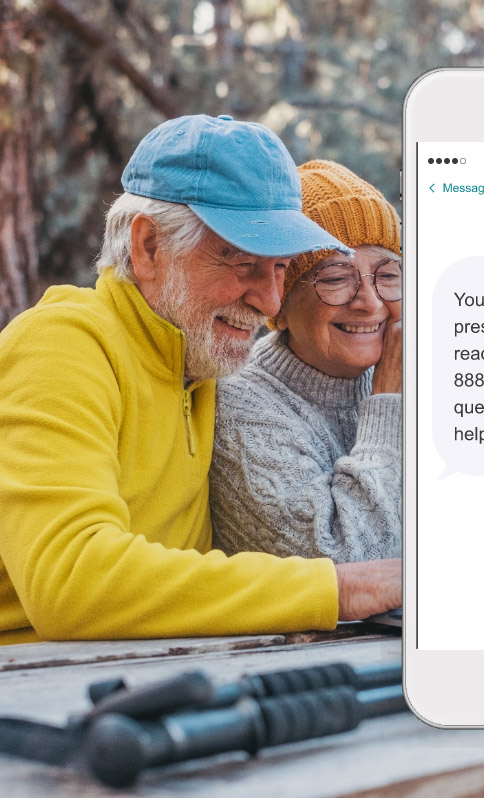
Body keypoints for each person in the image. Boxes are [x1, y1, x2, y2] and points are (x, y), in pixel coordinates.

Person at [0, 115, 401, 644]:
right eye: (240, 262)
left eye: (279, 268)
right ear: (147, 247)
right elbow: (73, 582)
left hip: (160, 680)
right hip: (35, 695)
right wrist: (338, 589)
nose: (270, 300)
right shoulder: (61, 345)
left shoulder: (201, 367)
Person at [210, 161, 401, 562]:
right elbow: (353, 564)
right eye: (335, 278)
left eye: (388, 275)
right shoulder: (239, 409)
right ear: (279, 305)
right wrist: (388, 403)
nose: (369, 303)